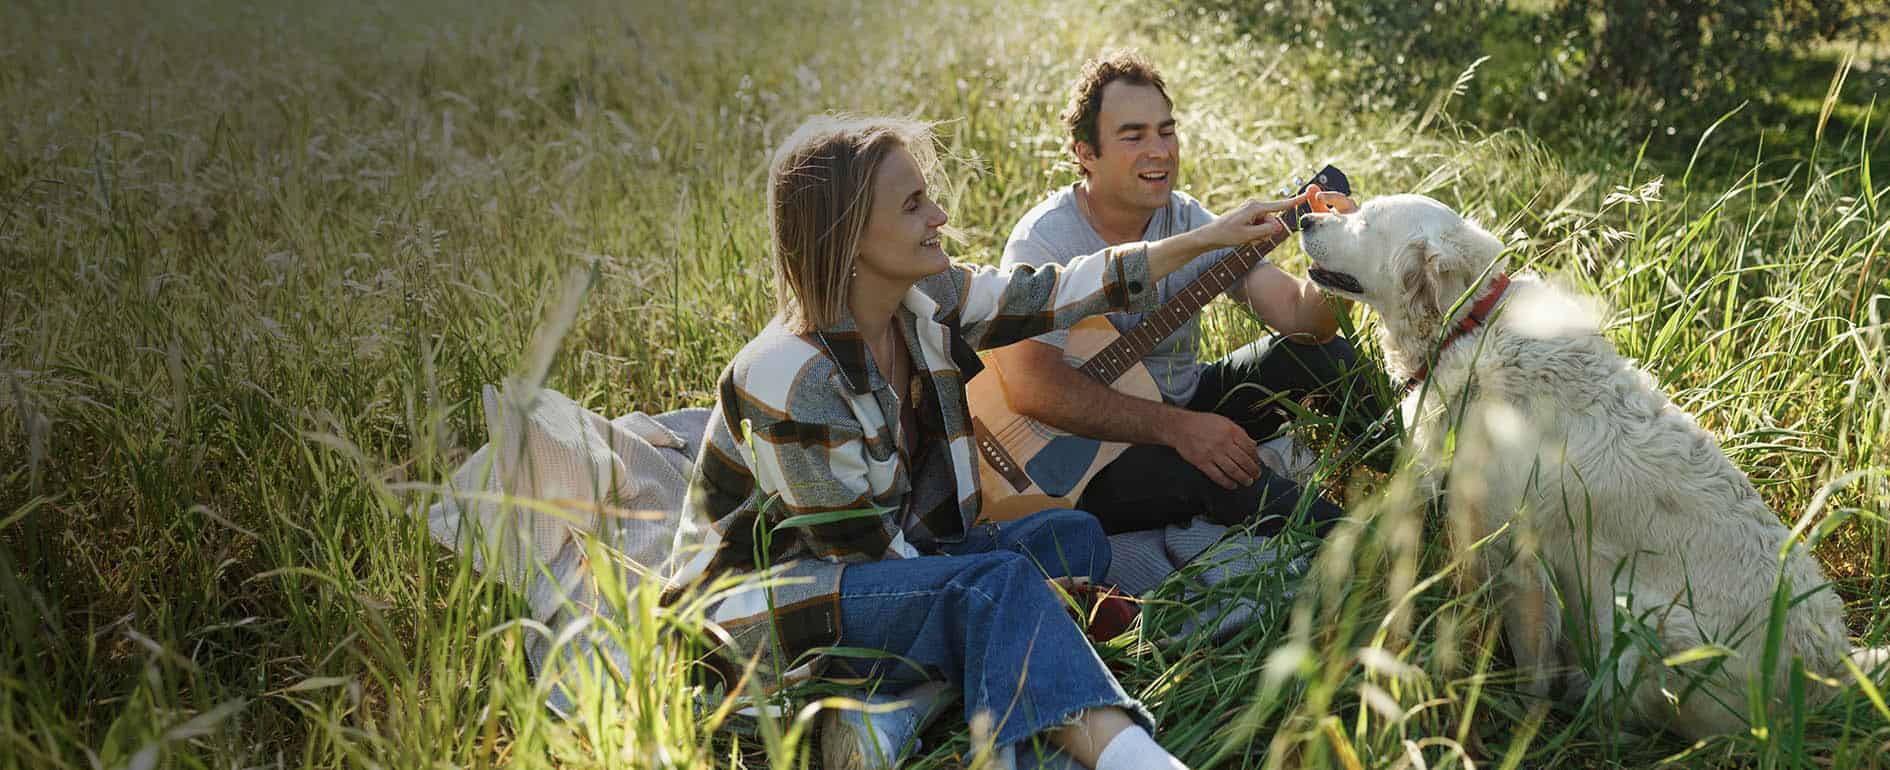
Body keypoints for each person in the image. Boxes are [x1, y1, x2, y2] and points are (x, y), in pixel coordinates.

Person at [666, 115, 1307, 770]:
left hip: (901, 562)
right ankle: (1137, 759)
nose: (939, 215)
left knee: (1074, 536)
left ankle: (906, 708)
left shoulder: (923, 297)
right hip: (777, 621)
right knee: (997, 585)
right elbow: (871, 564)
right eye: (914, 204)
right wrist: (1017, 600)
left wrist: (1209, 239)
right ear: (847, 235)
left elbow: (1053, 293)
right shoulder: (790, 375)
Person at [994, 49, 1385, 538]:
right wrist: (1178, 430)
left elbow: (1301, 317)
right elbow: (1033, 388)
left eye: (1167, 130)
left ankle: (1429, 475)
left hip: (1181, 405)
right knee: (1220, 474)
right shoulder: (1045, 240)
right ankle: (1374, 551)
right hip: (1083, 461)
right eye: (1133, 135)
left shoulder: (1186, 219)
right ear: (1085, 154)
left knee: (1315, 355)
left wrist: (1342, 253)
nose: (1159, 150)